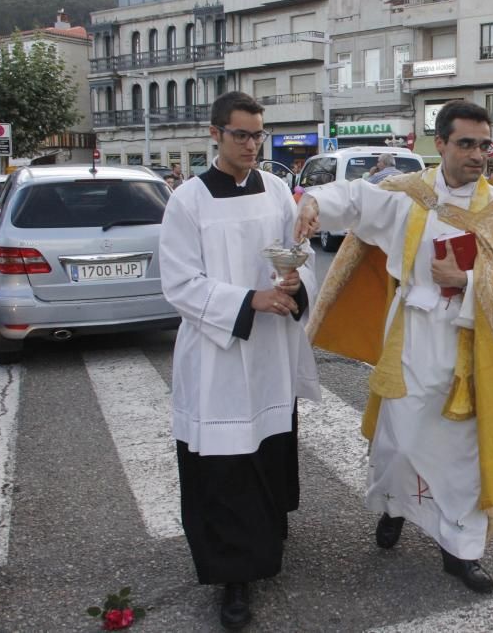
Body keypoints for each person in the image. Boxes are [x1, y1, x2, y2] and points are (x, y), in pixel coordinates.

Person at [295, 100, 493, 594]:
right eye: (466, 143)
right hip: (409, 336)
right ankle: (394, 508)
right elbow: (359, 201)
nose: (478, 155)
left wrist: (468, 281)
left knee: (462, 453)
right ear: (442, 145)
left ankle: (461, 550)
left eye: (484, 145)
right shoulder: (410, 195)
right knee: (400, 440)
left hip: (467, 348)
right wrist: (317, 204)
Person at [158, 91, 320, 630]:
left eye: (258, 135)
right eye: (241, 135)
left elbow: (298, 255)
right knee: (225, 464)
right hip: (218, 355)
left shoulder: (277, 191)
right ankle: (233, 577)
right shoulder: (189, 201)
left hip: (270, 350)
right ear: (215, 134)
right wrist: (250, 299)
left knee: (269, 448)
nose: (252, 145)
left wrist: (294, 284)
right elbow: (179, 283)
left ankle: (268, 541)